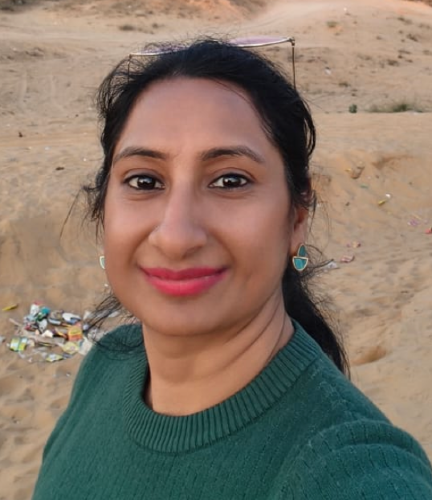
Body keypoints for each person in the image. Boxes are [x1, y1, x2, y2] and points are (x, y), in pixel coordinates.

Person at [32, 39, 432, 499]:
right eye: (144, 180)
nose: (176, 236)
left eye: (230, 180)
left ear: (296, 217)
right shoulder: (106, 364)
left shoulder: (345, 469)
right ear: (104, 209)